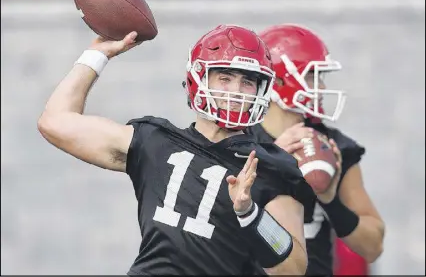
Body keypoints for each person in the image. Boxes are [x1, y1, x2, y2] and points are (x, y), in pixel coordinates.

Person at [37, 24, 318, 275]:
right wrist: (96, 55)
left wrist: (250, 213)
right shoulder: (156, 141)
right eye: (225, 78)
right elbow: (55, 122)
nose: (237, 91)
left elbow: (292, 270)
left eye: (248, 81)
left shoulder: (267, 165)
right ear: (199, 79)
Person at [245, 24, 385, 276]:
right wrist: (267, 167)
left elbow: (373, 246)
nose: (319, 87)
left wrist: (330, 200)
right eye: (311, 76)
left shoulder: (331, 147)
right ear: (276, 79)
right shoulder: (238, 142)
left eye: (319, 77)